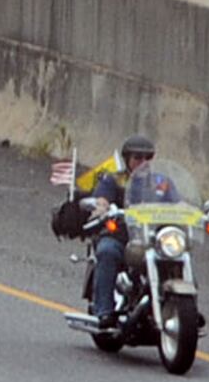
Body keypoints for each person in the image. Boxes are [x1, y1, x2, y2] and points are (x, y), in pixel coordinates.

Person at [65, 133, 183, 326]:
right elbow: (101, 200)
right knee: (107, 251)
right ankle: (104, 310)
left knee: (179, 254)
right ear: (127, 159)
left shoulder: (161, 182)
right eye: (138, 158)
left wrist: (191, 213)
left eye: (147, 158)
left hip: (153, 239)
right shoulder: (114, 180)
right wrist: (102, 208)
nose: (143, 162)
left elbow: (177, 204)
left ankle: (185, 308)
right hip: (121, 237)